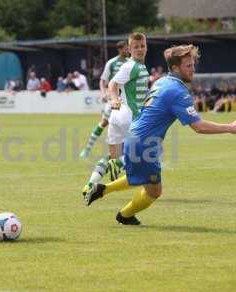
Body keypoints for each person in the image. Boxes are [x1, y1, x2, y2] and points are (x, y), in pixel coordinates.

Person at [84, 44, 236, 225]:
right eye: (188, 66)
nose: (193, 69)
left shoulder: (162, 82)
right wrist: (230, 127)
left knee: (141, 178)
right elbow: (199, 126)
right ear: (174, 68)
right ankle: (123, 215)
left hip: (136, 136)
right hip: (144, 142)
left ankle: (102, 191)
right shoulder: (178, 91)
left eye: (193, 65)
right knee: (154, 190)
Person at [82, 34, 149, 195]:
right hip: (130, 116)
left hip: (117, 116)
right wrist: (113, 98)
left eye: (142, 46)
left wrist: (115, 101)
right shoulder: (133, 66)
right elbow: (112, 83)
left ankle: (89, 185)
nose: (140, 49)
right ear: (129, 49)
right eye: (136, 47)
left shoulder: (133, 66)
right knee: (141, 154)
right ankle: (118, 164)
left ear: (146, 46)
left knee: (112, 155)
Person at [79, 41, 129, 158]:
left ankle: (125, 153)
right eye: (125, 49)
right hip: (114, 98)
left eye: (128, 48)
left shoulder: (130, 63)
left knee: (127, 125)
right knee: (104, 123)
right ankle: (87, 149)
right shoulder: (111, 63)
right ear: (120, 49)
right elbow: (103, 80)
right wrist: (103, 93)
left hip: (127, 99)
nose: (127, 51)